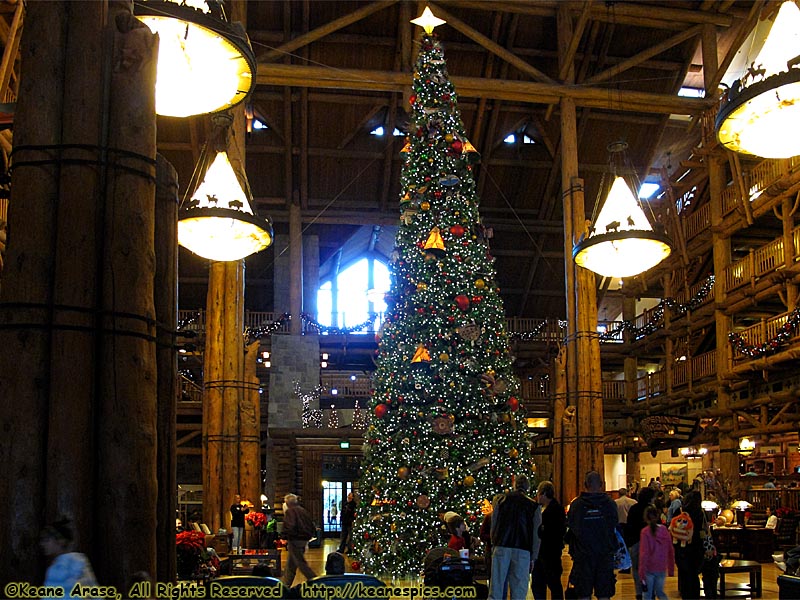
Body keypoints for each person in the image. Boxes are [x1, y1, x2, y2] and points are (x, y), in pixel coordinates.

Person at [565, 470, 618, 600]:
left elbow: (571, 528)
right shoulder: (610, 504)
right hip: (604, 555)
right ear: (601, 484)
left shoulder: (577, 505)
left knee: (583, 593)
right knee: (604, 593)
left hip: (583, 556)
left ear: (585, 484)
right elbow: (614, 526)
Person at [489, 474, 541, 600]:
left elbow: (494, 525)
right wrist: (534, 556)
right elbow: (536, 534)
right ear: (527, 487)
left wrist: (493, 542)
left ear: (514, 484)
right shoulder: (533, 506)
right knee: (519, 590)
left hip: (501, 545)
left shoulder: (501, 501)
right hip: (523, 549)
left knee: (496, 588)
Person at [40, 517, 99, 599]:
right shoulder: (82, 561)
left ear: (60, 541)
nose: (42, 544)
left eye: (47, 539)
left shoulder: (55, 570)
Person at [531, 480, 566, 600]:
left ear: (544, 494)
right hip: (541, 554)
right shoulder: (540, 509)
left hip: (551, 554)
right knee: (537, 584)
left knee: (554, 584)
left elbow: (555, 532)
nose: (537, 496)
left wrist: (541, 530)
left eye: (538, 493)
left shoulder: (556, 510)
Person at [625, 487, 656, 600]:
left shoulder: (634, 508)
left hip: (635, 543)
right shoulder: (651, 509)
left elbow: (629, 525)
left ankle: (639, 592)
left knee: (637, 569)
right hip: (649, 544)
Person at [281, 493, 318, 587]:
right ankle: (284, 586)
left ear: (287, 503)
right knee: (291, 565)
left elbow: (290, 526)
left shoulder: (290, 512)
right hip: (303, 539)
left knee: (301, 564)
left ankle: (316, 582)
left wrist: (283, 536)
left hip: (295, 540)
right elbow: (311, 524)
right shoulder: (303, 510)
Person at [671, 490, 703, 599]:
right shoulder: (699, 513)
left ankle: (685, 595)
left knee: (684, 574)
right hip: (696, 548)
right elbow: (703, 531)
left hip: (680, 548)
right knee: (694, 576)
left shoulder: (679, 511)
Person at [638, 505, 674, 600]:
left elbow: (644, 553)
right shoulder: (664, 530)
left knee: (647, 595)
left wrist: (641, 572)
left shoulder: (645, 532)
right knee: (660, 592)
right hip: (661, 566)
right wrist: (671, 568)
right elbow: (670, 549)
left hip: (649, 567)